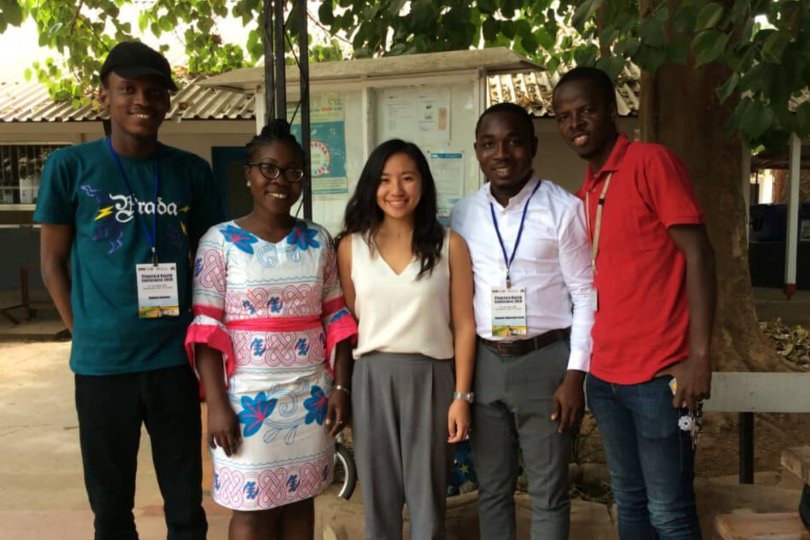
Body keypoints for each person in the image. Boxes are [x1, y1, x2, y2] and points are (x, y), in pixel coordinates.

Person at [34, 41, 221, 539]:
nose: (143, 100)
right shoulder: (70, 167)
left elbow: (209, 262)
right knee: (111, 506)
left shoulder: (190, 172)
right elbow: (51, 262)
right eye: (128, 89)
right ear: (105, 96)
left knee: (185, 502)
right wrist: (83, 330)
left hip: (172, 360)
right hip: (102, 366)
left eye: (155, 91)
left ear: (167, 102)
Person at [552, 66, 717, 539]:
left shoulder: (651, 163)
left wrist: (700, 357)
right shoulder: (589, 188)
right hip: (606, 378)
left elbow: (700, 256)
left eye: (585, 111)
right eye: (564, 116)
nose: (575, 124)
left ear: (612, 110)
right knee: (629, 501)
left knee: (669, 511)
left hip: (659, 376)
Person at [186, 119, 357, 540]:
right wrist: (216, 406)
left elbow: (337, 320)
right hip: (246, 404)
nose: (280, 181)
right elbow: (207, 328)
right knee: (253, 512)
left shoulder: (318, 240)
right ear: (249, 173)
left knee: (301, 504)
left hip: (310, 398)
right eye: (268, 169)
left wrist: (341, 388)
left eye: (293, 171)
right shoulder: (218, 242)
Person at [450, 103, 594, 540]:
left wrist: (575, 376)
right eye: (490, 144)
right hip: (485, 363)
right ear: (477, 151)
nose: (502, 153)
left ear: (531, 146)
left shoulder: (563, 209)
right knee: (492, 489)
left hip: (546, 362)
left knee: (549, 492)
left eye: (513, 141)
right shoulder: (464, 214)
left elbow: (586, 294)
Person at [336, 139, 476, 539]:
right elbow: (345, 327)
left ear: (423, 184)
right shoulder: (351, 247)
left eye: (407, 178)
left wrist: (461, 397)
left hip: (432, 379)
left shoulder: (450, 245)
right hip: (371, 380)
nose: (396, 190)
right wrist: (342, 388)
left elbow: (464, 325)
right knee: (378, 498)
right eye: (384, 180)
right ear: (371, 186)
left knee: (427, 498)